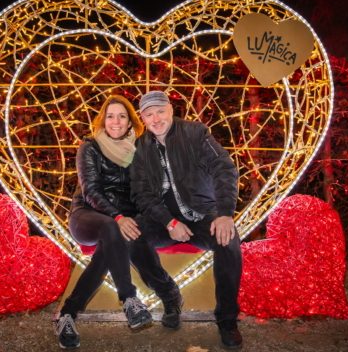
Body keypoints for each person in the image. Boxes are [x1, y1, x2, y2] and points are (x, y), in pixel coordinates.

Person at [129, 90, 243, 349]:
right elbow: (141, 193)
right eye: (149, 114)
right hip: (164, 217)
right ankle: (169, 295)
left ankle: (227, 320)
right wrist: (169, 222)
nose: (156, 118)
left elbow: (223, 168)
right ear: (142, 118)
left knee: (228, 241)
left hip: (202, 212)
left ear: (171, 109)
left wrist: (225, 213)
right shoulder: (140, 147)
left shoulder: (195, 133)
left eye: (160, 111)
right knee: (132, 236)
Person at [53, 95, 152, 349]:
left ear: (131, 122)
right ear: (103, 120)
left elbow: (145, 190)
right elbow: (91, 191)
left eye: (122, 116)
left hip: (119, 223)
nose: (115, 121)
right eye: (110, 116)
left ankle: (67, 315)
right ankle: (130, 299)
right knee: (111, 227)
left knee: (108, 247)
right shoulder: (90, 146)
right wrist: (118, 217)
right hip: (87, 215)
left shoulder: (141, 150)